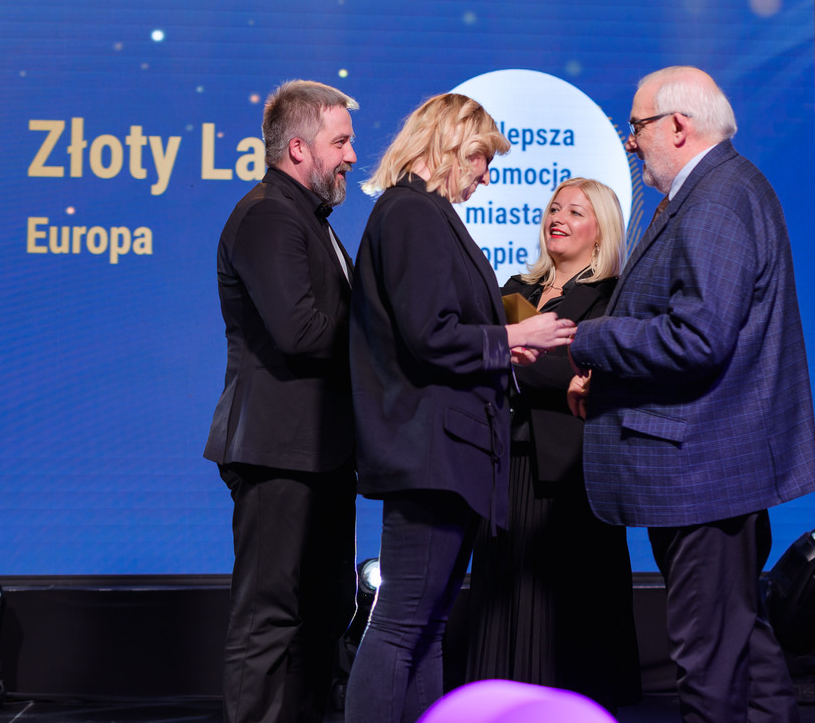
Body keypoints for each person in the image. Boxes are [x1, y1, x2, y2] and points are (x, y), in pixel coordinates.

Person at [567, 66, 815, 723]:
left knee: (708, 663)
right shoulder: (719, 189)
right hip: (708, 468)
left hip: (701, 470)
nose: (630, 142)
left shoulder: (715, 200)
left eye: (637, 126)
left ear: (678, 126)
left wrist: (590, 339)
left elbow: (697, 338)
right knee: (742, 649)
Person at [345, 93, 578, 723]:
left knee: (427, 625)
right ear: (450, 145)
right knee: (402, 626)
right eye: (481, 159)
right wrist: (513, 335)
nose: (486, 176)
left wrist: (502, 349)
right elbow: (428, 335)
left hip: (445, 449)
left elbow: (437, 331)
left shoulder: (421, 213)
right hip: (432, 451)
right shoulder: (412, 212)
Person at [204, 79, 359, 723]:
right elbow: (301, 333)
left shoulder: (309, 219)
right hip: (276, 451)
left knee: (325, 611)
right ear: (299, 148)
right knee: (267, 618)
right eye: (341, 142)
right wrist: (390, 331)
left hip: (321, 452)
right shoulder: (269, 214)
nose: (352, 156)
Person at [465, 177, 641, 712]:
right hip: (502, 465)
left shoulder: (614, 295)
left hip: (570, 476)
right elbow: (479, 356)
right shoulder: (513, 287)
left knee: (567, 608)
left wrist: (512, 355)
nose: (557, 218)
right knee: (501, 600)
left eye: (575, 212)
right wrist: (519, 355)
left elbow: (586, 366)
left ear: (601, 231)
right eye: (554, 208)